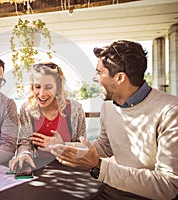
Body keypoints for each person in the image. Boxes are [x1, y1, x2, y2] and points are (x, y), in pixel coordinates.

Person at [50, 40, 178, 199]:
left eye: (100, 72)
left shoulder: (171, 112)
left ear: (120, 78)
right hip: (106, 192)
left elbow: (168, 186)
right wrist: (62, 146)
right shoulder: (109, 107)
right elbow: (103, 147)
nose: (95, 79)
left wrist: (98, 166)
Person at [9, 62, 86, 172]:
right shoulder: (27, 110)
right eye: (37, 87)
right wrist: (24, 154)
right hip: (39, 169)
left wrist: (61, 146)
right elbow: (25, 142)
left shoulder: (75, 110)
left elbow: (84, 147)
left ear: (58, 87)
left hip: (70, 169)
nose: (42, 94)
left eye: (48, 87)